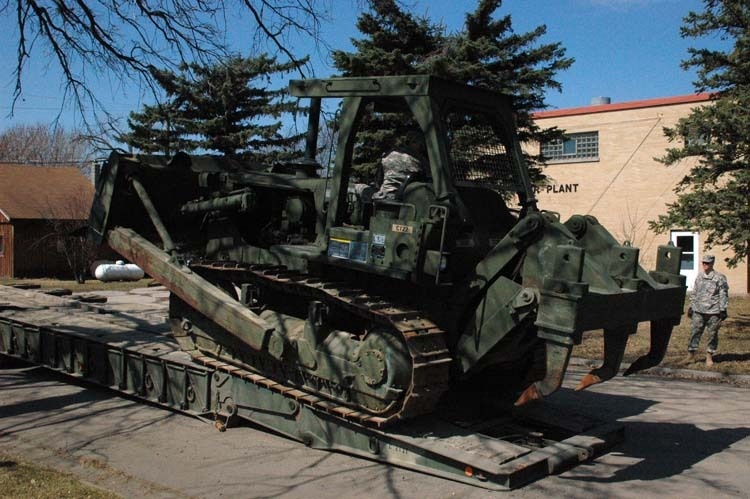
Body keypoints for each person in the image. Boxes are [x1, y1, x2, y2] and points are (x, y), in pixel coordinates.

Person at [686, 254, 729, 366]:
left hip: (713, 311)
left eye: (707, 263)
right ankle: (691, 355)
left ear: (712, 263)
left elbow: (723, 293)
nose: (705, 265)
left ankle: (709, 356)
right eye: (703, 263)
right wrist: (691, 306)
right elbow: (695, 292)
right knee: (695, 332)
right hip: (698, 310)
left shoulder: (720, 277)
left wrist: (723, 309)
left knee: (712, 334)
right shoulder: (699, 276)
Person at [372, 131, 427, 200]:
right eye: (420, 143)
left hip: (382, 196)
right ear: (412, 142)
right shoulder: (417, 159)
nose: (422, 146)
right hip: (403, 199)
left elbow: (379, 179)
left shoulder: (388, 154)